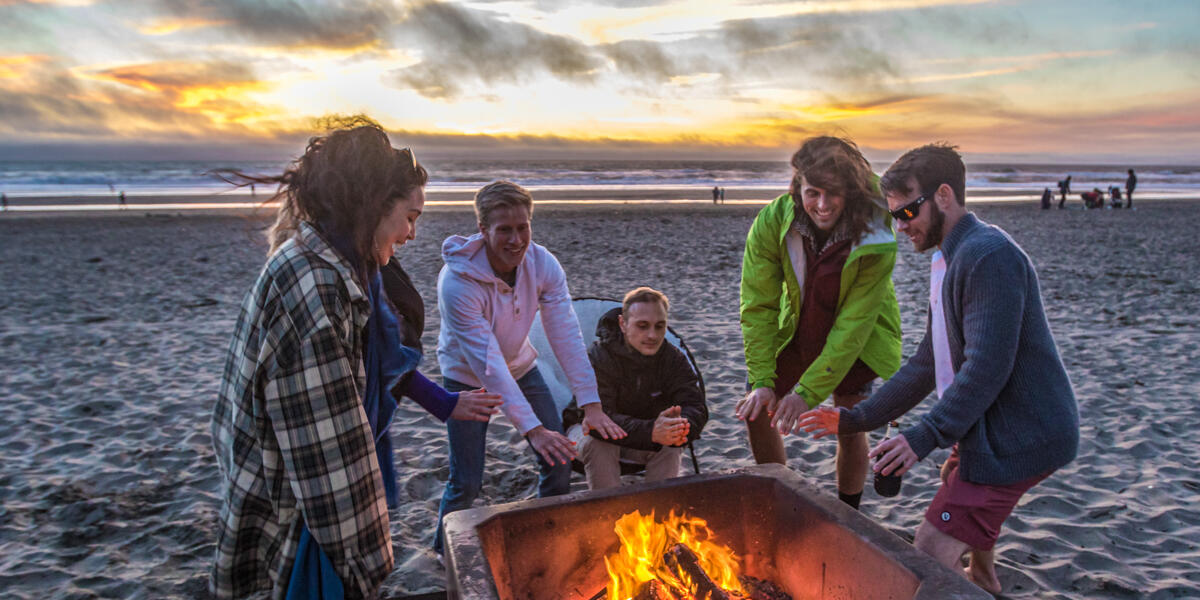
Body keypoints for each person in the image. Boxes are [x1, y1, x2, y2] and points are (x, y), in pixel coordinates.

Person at [210, 122, 502, 600]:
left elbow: (385, 364)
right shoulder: (318, 287)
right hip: (294, 506)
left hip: (290, 495)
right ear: (373, 205)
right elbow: (330, 454)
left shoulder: (329, 260)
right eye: (409, 217)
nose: (411, 234)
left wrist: (446, 403)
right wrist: (370, 560)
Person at [797, 143, 1079, 595]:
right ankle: (984, 580)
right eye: (894, 215)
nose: (902, 225)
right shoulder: (946, 258)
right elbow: (929, 360)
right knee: (955, 477)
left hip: (1025, 434)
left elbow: (987, 367)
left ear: (943, 196)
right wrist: (855, 419)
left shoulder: (988, 257)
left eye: (908, 212)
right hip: (991, 426)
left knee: (927, 551)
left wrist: (924, 436)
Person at [433, 180, 626, 552]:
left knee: (557, 459)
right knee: (468, 481)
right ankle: (443, 553)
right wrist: (533, 430)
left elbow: (565, 334)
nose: (516, 239)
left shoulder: (542, 263)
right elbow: (488, 367)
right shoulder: (456, 282)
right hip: (466, 379)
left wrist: (591, 404)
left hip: (522, 366)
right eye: (504, 229)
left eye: (523, 227)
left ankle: (545, 533)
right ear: (482, 229)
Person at [737, 136, 902, 510]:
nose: (822, 205)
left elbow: (854, 325)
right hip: (797, 325)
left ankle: (849, 508)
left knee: (848, 418)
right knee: (756, 407)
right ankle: (779, 497)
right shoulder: (771, 221)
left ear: (852, 192)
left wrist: (806, 395)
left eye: (834, 194)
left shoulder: (877, 235)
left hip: (858, 335)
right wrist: (763, 381)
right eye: (813, 193)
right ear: (798, 187)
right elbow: (758, 305)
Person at [576, 287, 708, 490]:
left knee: (672, 443)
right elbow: (600, 418)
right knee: (599, 442)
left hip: (645, 435)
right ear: (623, 323)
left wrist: (679, 427)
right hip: (587, 433)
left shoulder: (672, 358)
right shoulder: (600, 356)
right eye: (642, 326)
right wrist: (651, 432)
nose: (652, 335)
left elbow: (695, 405)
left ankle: (659, 515)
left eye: (659, 326)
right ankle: (607, 514)